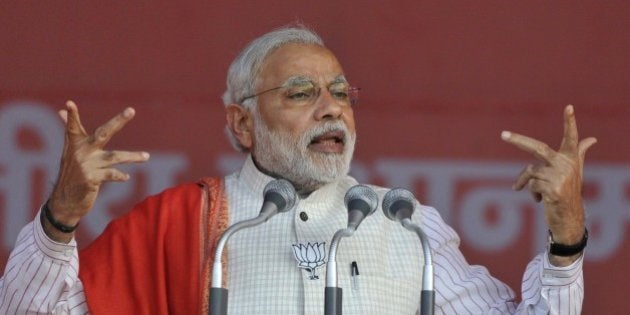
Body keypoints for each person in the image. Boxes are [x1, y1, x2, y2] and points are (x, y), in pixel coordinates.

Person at [0, 26, 596, 314]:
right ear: (242, 124)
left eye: (340, 90)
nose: (331, 105)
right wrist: (60, 219)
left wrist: (566, 242)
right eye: (301, 91)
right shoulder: (186, 225)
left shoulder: (406, 226)